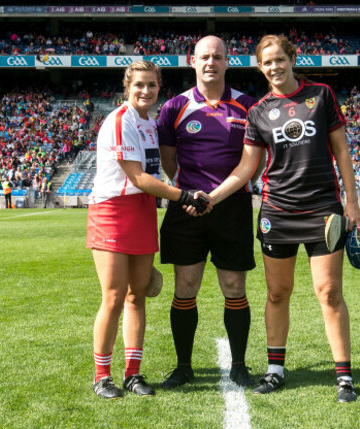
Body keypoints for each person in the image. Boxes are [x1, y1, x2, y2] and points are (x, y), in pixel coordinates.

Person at [207, 34, 360, 402]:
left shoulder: (321, 95)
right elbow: (248, 166)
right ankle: (275, 369)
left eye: (280, 59)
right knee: (278, 293)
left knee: (329, 293)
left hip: (323, 210)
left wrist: (351, 201)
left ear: (292, 59)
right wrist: (212, 197)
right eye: (267, 62)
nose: (274, 67)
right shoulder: (257, 111)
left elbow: (341, 150)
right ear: (260, 67)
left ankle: (344, 376)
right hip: (277, 211)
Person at [87, 60, 207, 400]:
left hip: (142, 211)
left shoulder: (150, 123)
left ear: (159, 89)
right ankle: (102, 376)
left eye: (152, 85)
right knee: (113, 297)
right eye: (139, 84)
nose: (145, 91)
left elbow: (155, 178)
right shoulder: (120, 120)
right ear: (128, 86)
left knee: (136, 295)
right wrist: (184, 195)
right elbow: (137, 178)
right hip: (112, 211)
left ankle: (133, 373)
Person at [157, 35, 258, 389]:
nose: (211, 62)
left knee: (234, 285)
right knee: (185, 287)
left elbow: (252, 164)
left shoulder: (248, 105)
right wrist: (189, 195)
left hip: (232, 207)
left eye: (217, 56)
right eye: (204, 57)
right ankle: (183, 367)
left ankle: (240, 365)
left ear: (228, 61)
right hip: (187, 208)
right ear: (192, 61)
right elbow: (170, 162)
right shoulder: (174, 107)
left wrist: (212, 197)